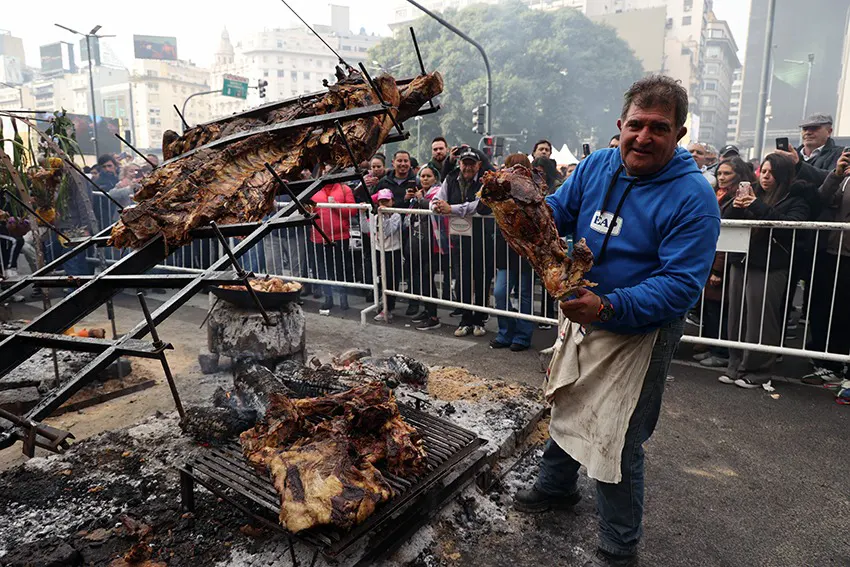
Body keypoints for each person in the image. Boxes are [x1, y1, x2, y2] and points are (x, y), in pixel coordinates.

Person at [513, 75, 720, 567]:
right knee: (568, 399)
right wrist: (521, 211)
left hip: (641, 329)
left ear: (679, 134)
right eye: (636, 125)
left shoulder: (694, 197)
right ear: (620, 124)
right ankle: (556, 486)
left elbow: (680, 285)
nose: (644, 137)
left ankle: (619, 543)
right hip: (585, 311)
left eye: (659, 128)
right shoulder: (597, 166)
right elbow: (558, 212)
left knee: (618, 435)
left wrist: (607, 306)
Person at [718, 153, 810, 389]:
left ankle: (758, 371)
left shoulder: (795, 198)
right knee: (737, 317)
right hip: (741, 261)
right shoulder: (752, 192)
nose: (766, 176)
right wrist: (736, 207)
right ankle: (735, 365)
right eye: (764, 171)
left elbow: (790, 226)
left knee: (761, 319)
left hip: (770, 265)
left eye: (771, 172)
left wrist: (755, 205)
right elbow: (727, 220)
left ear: (783, 175)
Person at [694, 157, 755, 368]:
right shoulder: (718, 194)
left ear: (739, 175)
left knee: (720, 308)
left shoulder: (739, 197)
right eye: (719, 173)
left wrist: (718, 270)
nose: (721, 177)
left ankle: (721, 352)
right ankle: (712, 346)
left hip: (726, 260)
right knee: (711, 307)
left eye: (727, 173)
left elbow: (726, 234)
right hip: (712, 257)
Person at [800, 147, 850, 393]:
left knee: (843, 312)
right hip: (829, 251)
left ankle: (837, 363)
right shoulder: (844, 177)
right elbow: (821, 199)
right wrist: (837, 174)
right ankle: (825, 361)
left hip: (846, 255)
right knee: (823, 308)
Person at [430, 148, 494, 338]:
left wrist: (452, 208)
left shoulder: (485, 181)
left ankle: (479, 319)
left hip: (482, 236)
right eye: (465, 163)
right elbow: (437, 199)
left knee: (482, 277)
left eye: (472, 164)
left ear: (479, 165)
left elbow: (479, 206)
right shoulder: (451, 178)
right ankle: (465, 320)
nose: (468, 167)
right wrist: (436, 206)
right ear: (459, 164)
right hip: (459, 237)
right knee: (462, 278)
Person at [491, 153, 535, 351]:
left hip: (527, 249)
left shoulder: (533, 190)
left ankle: (523, 336)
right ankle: (506, 331)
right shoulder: (500, 188)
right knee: (500, 292)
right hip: (506, 249)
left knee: (525, 294)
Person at [308, 180, 355, 312]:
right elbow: (308, 210)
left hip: (340, 236)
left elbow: (352, 211)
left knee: (341, 268)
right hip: (318, 236)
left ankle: (343, 297)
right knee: (323, 269)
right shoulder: (313, 190)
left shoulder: (345, 189)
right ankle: (328, 298)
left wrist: (336, 206)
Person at [408, 164, 444, 330]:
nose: (425, 179)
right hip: (420, 242)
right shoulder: (419, 194)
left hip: (434, 243)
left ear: (435, 178)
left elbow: (433, 207)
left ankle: (433, 316)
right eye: (422, 176)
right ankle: (427, 310)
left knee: (428, 276)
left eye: (428, 176)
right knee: (422, 277)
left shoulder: (438, 192)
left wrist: (420, 199)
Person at [774, 113, 844, 186]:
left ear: (829, 131)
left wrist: (798, 165)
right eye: (805, 129)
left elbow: (833, 178)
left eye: (814, 128)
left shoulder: (840, 155)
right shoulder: (792, 156)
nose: (808, 132)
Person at [372, 188, 405, 322]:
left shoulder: (396, 216)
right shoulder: (376, 217)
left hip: (393, 251)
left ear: (392, 201)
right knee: (380, 279)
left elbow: (387, 231)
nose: (384, 204)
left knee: (391, 280)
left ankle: (389, 308)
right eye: (381, 201)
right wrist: (362, 214)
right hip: (379, 250)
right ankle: (382, 303)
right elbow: (367, 228)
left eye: (387, 201)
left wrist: (385, 216)